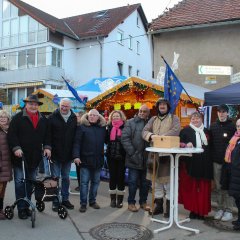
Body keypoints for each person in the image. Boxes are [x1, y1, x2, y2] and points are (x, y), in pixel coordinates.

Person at [8, 94, 51, 219]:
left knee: (30, 183)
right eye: (31, 104)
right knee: (20, 182)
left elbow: (48, 136)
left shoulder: (43, 119)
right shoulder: (17, 118)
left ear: (38, 106)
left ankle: (27, 206)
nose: (33, 106)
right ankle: (21, 208)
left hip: (35, 157)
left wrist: (48, 147)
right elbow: (12, 135)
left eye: (35, 104)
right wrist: (16, 148)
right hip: (20, 157)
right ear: (26, 105)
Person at [142, 98, 180, 218]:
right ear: (157, 107)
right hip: (154, 154)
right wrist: (152, 136)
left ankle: (169, 208)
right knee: (155, 183)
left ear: (168, 107)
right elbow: (144, 131)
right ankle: (158, 206)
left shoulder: (174, 118)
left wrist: (161, 137)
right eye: (160, 105)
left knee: (167, 183)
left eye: (164, 104)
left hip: (167, 155)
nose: (162, 106)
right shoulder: (153, 119)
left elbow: (176, 130)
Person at [178, 111, 212, 220]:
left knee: (203, 189)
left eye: (197, 118)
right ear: (190, 120)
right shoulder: (185, 131)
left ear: (201, 119)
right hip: (191, 165)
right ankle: (193, 210)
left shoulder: (207, 131)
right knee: (192, 190)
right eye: (193, 118)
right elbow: (179, 145)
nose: (195, 120)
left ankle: (201, 211)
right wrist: (185, 145)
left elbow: (211, 148)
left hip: (205, 165)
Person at [73, 109, 106, 213]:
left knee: (96, 182)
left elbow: (108, 140)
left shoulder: (102, 129)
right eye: (90, 115)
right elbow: (77, 143)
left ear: (98, 117)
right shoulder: (81, 127)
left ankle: (92, 201)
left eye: (94, 115)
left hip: (98, 160)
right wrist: (76, 156)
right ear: (87, 116)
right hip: (85, 160)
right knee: (84, 183)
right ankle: (83, 203)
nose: (92, 117)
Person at [48, 98, 77, 211]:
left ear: (70, 107)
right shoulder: (52, 117)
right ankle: (55, 201)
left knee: (66, 178)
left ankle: (65, 199)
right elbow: (48, 135)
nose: (64, 108)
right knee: (54, 179)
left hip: (68, 155)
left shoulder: (74, 118)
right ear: (59, 105)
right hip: (55, 154)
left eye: (66, 106)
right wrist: (48, 148)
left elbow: (75, 137)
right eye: (62, 106)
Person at [121, 105, 151, 212]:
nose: (142, 113)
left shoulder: (151, 124)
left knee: (146, 183)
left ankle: (143, 202)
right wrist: (133, 153)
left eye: (145, 111)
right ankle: (131, 203)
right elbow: (125, 139)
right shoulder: (130, 122)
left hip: (147, 159)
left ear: (148, 113)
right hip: (134, 158)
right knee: (133, 182)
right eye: (140, 111)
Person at [210, 104, 236, 221]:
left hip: (229, 163)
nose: (221, 113)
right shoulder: (213, 127)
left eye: (223, 111)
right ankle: (220, 208)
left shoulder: (232, 126)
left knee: (228, 186)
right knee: (219, 187)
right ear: (217, 113)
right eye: (219, 111)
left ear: (227, 113)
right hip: (216, 162)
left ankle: (229, 210)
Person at [106, 110, 126, 208]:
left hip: (122, 157)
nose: (115, 118)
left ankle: (120, 200)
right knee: (112, 177)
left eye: (117, 116)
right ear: (111, 118)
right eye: (114, 116)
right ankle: (113, 200)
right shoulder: (108, 127)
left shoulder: (125, 127)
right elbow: (106, 140)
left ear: (121, 117)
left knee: (121, 178)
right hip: (111, 157)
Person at [225, 119, 240, 230]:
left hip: (238, 171)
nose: (239, 128)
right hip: (235, 172)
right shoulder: (235, 138)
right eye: (238, 126)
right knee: (238, 199)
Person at [0, 110, 12, 220]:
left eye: (5, 117)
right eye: (1, 117)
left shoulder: (9, 131)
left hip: (6, 165)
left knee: (2, 190)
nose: (3, 119)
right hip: (0, 165)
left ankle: (0, 210)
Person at [74, 111, 84, 191]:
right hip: (77, 151)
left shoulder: (82, 126)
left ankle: (82, 185)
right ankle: (80, 184)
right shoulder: (76, 125)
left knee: (81, 170)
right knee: (78, 169)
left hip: (82, 151)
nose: (75, 117)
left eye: (77, 116)